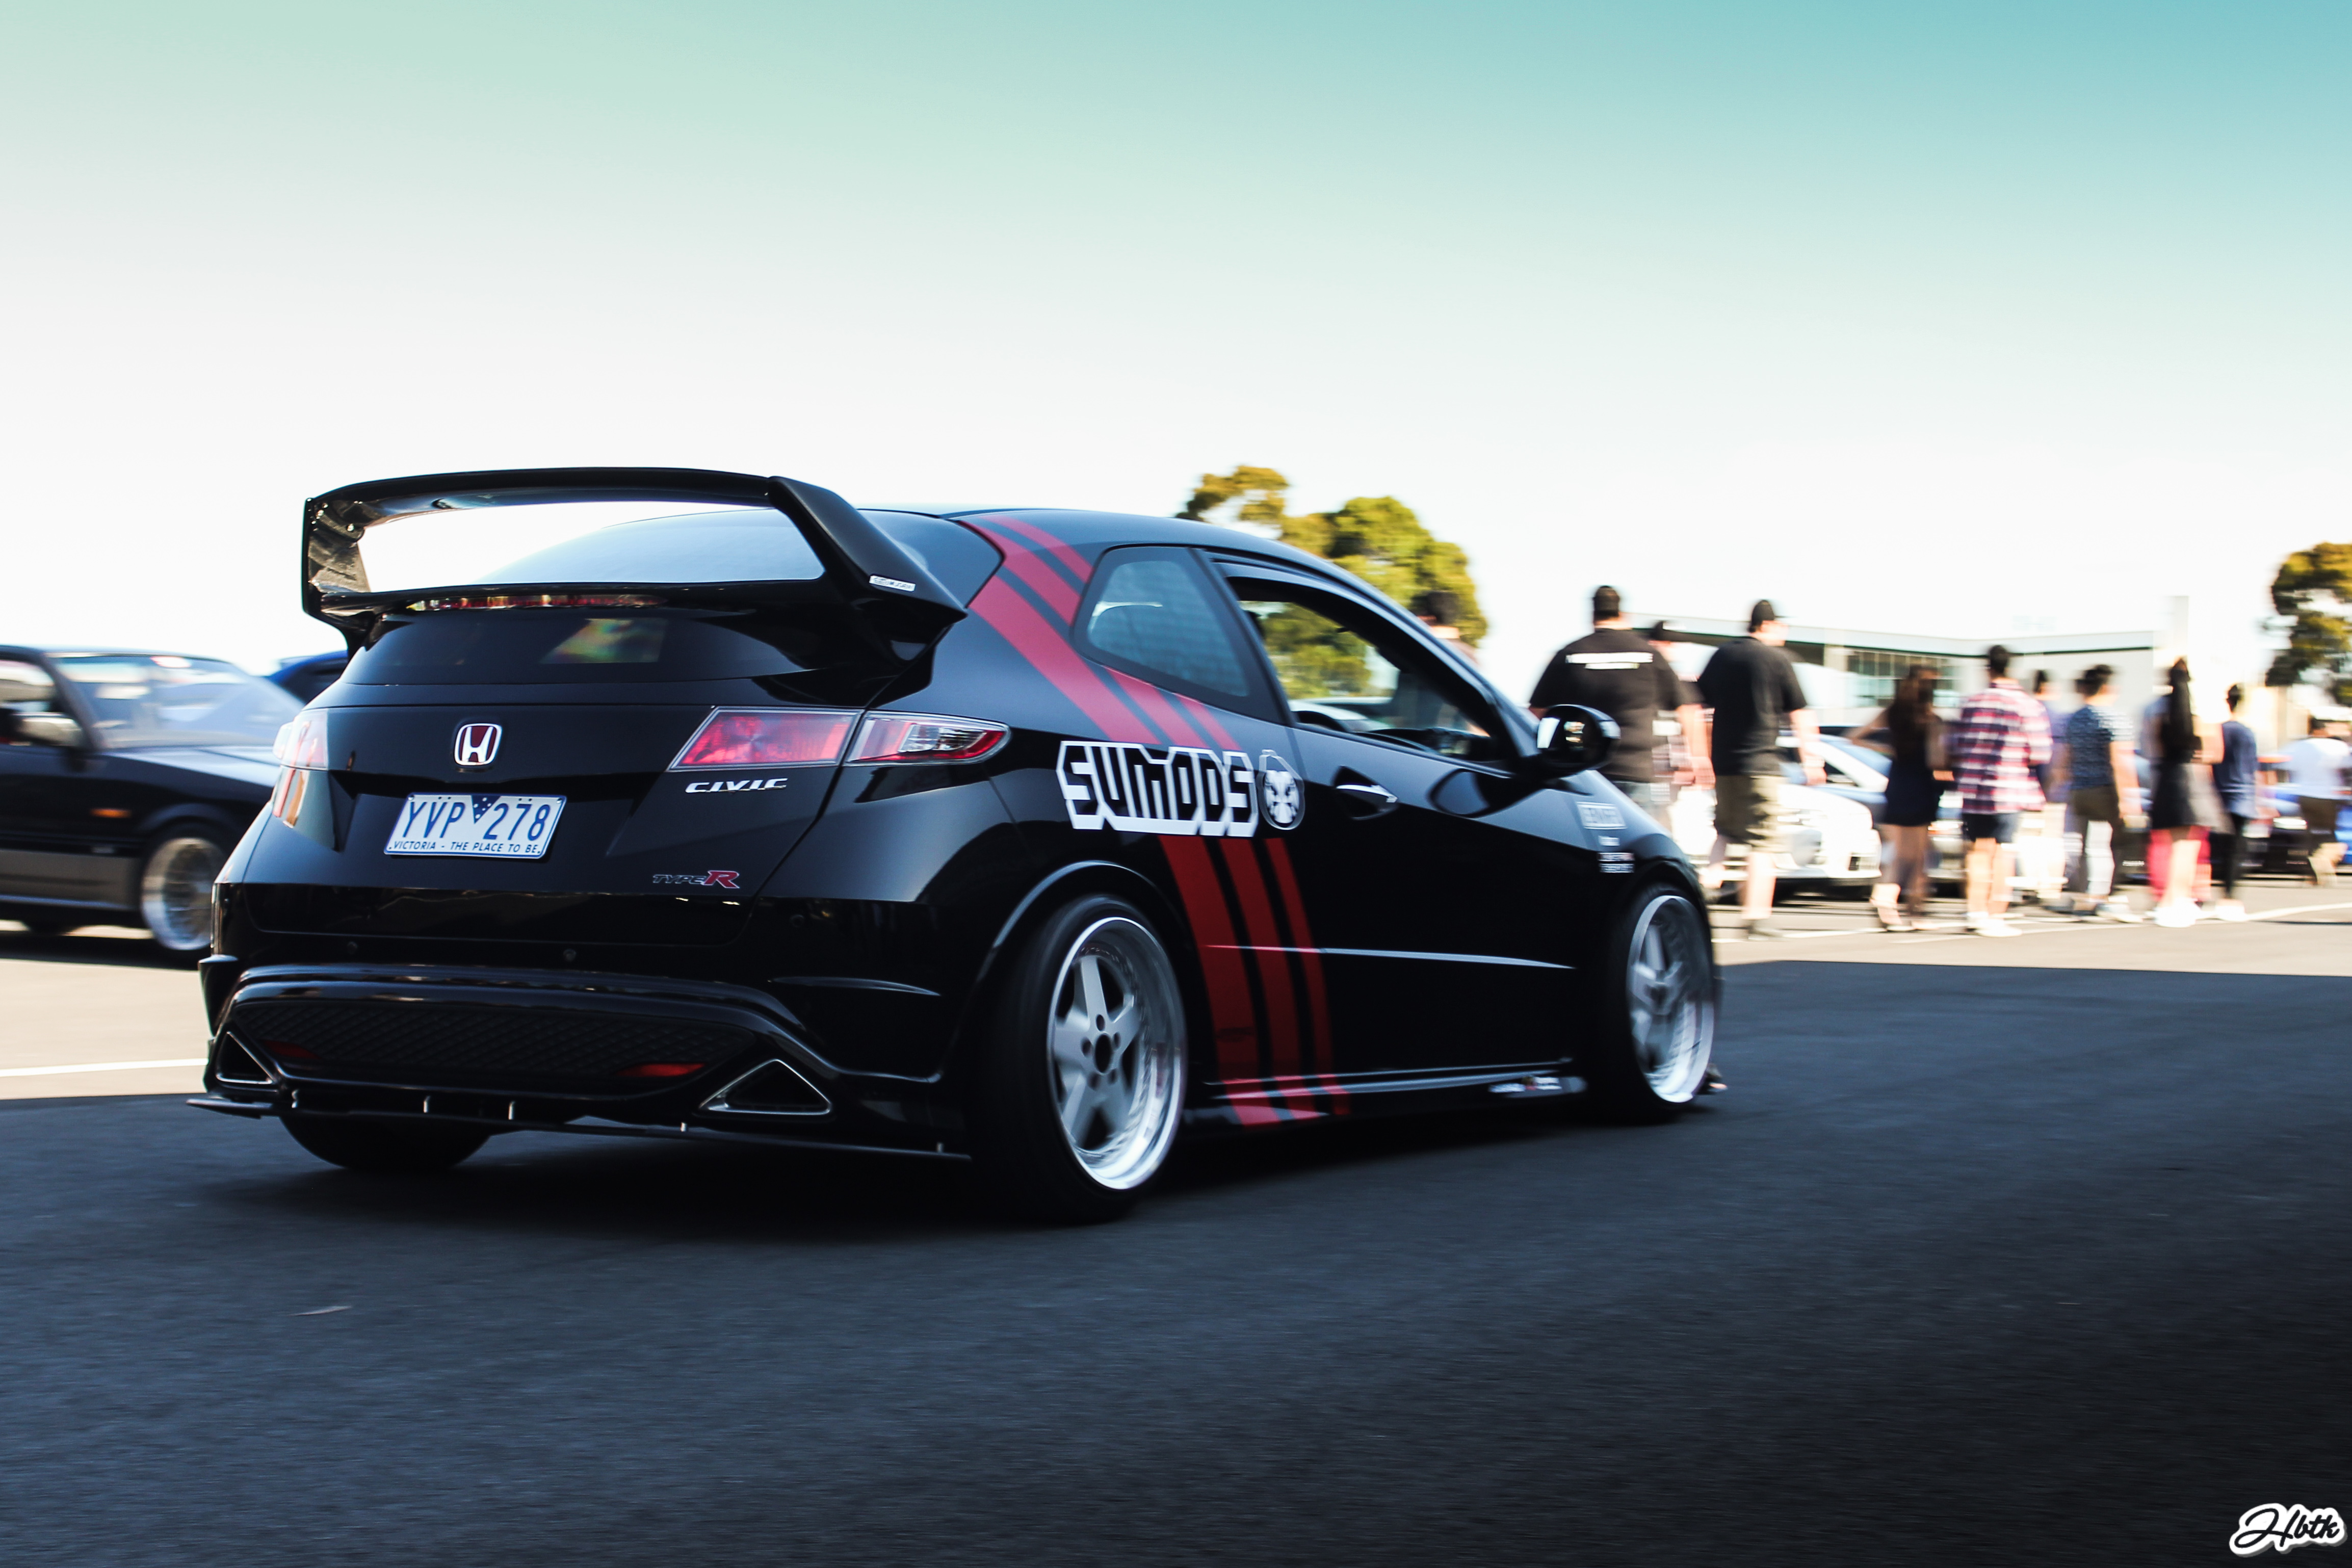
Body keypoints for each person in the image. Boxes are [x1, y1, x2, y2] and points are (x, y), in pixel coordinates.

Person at [1695, 600, 1823, 940]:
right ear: (1768, 625)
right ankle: (1756, 916)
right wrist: (1812, 760)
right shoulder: (1778, 659)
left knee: (1725, 829)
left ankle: (1707, 885)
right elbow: (1800, 713)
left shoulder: (1723, 655)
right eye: (1781, 626)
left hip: (1725, 763)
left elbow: (1699, 702)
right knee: (1763, 842)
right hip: (1762, 763)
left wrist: (1702, 755)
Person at [1528, 587, 1710, 816]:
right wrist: (1699, 757)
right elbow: (1688, 708)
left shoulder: (1570, 654)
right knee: (1643, 836)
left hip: (1587, 773)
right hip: (1637, 770)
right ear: (1623, 615)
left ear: (1593, 616)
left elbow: (1535, 714)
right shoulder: (1649, 655)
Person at [1948, 645, 2051, 937]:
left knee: (1977, 851)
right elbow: (2041, 752)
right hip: (2009, 788)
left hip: (1973, 790)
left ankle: (1975, 911)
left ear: (1988, 669)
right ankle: (1995, 915)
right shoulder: (2027, 705)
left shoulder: (1971, 703)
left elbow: (1954, 746)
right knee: (2003, 851)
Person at [1853, 665, 1945, 930]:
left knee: (1900, 852)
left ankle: (1890, 902)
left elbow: (1855, 738)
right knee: (1917, 855)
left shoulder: (1892, 714)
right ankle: (1910, 909)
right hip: (1922, 787)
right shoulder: (1932, 720)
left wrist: (1888, 749)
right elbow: (1936, 760)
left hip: (1898, 785)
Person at [2056, 664, 2139, 922]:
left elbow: (2065, 757)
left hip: (2079, 789)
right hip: (2106, 789)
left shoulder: (2074, 719)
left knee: (2084, 846)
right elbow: (2120, 761)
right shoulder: (2114, 718)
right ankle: (2107, 896)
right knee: (2115, 844)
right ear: (2108, 688)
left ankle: (2084, 896)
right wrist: (2128, 798)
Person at [2208, 684, 2261, 920]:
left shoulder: (2217, 731)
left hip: (2217, 795)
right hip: (2242, 796)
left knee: (2216, 849)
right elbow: (2253, 767)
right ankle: (2230, 897)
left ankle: (2207, 893)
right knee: (2236, 851)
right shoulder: (2247, 733)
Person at [2283, 716, 2350, 885]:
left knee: (2311, 832)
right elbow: (2346, 767)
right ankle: (2322, 860)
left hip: (2305, 795)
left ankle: (2312, 873)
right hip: (2329, 796)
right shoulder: (2337, 747)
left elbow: (2285, 766)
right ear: (2322, 730)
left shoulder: (2297, 747)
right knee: (2330, 833)